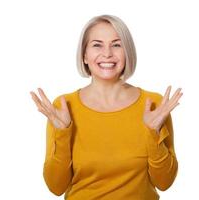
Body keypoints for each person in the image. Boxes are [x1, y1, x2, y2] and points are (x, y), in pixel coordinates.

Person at [30, 14, 183, 200]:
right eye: (97, 45)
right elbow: (56, 187)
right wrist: (63, 134)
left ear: (127, 52)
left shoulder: (154, 105)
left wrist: (153, 133)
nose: (108, 53)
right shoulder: (64, 107)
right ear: (84, 55)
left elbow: (164, 183)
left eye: (116, 45)